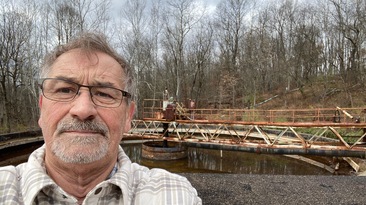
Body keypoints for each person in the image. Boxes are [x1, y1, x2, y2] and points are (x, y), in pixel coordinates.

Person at [0, 32, 201, 204]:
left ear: (128, 116)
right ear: (41, 109)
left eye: (104, 94)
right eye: (64, 90)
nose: (83, 109)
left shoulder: (176, 195)